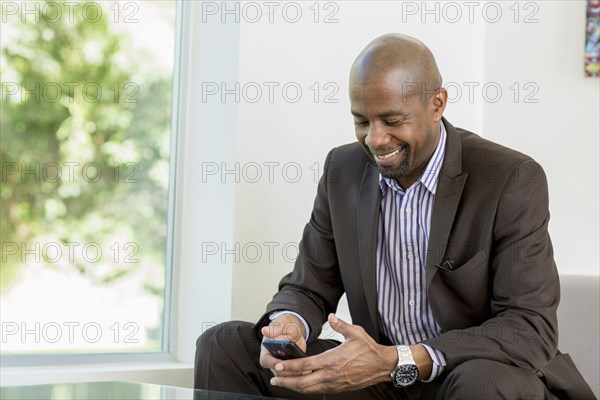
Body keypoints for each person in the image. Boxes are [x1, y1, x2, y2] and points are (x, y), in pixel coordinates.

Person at [194, 33, 595, 400]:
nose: (375, 139)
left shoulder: (508, 178)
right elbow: (310, 287)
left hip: (472, 375)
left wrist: (397, 358)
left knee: (481, 383)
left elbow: (528, 330)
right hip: (383, 383)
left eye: (392, 120)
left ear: (437, 104)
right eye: (361, 121)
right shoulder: (343, 171)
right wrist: (290, 323)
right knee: (223, 344)